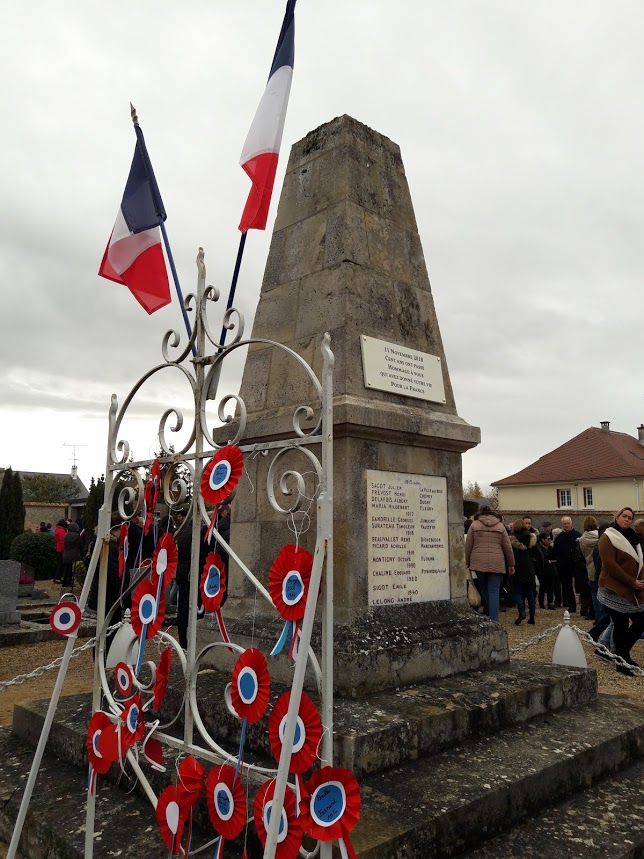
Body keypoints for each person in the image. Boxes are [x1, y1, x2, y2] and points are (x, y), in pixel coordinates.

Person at [596, 506, 644, 675]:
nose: (627, 519)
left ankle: (622, 654)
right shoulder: (608, 537)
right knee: (621, 625)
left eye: (630, 517)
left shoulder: (632, 537)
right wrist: (632, 581)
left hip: (631, 589)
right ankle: (622, 662)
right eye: (624, 516)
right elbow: (610, 565)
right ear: (617, 517)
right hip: (614, 589)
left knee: (640, 622)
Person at [464, 505, 514, 622]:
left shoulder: (474, 525)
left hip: (478, 560)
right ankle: (494, 619)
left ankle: (487, 613)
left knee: (484, 588)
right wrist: (511, 564)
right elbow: (507, 546)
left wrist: (467, 562)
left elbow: (468, 546)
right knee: (494, 590)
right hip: (496, 561)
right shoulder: (500, 525)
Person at [510, 519, 537, 625]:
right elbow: (538, 554)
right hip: (529, 568)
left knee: (517, 592)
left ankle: (521, 612)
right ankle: (532, 617)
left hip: (517, 568)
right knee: (530, 593)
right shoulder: (531, 537)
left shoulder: (512, 539)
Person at [553, 516, 582, 612]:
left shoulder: (578, 535)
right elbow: (555, 552)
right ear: (562, 524)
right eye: (564, 524)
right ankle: (571, 605)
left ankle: (584, 607)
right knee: (567, 586)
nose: (566, 525)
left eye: (567, 523)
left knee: (581, 586)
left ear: (571, 523)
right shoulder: (559, 538)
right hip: (565, 566)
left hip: (577, 564)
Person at [578, 516, 599, 619]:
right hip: (601, 566)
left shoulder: (582, 539)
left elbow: (583, 553)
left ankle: (596, 615)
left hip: (590, 567)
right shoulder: (601, 537)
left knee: (593, 593)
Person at [537, 532, 557, 609]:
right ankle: (541, 602)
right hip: (543, 570)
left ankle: (550, 602)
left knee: (551, 587)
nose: (549, 541)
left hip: (551, 570)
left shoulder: (550, 548)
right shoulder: (539, 548)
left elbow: (554, 556)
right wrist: (547, 561)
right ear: (542, 540)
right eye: (548, 539)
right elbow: (539, 559)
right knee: (543, 587)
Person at [61, 521, 82, 588]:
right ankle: (69, 582)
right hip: (74, 554)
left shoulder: (66, 535)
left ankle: (64, 582)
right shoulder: (76, 536)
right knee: (71, 570)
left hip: (66, 553)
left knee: (66, 569)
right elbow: (80, 544)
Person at [53, 519, 68, 583]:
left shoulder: (58, 529)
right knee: (61, 564)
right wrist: (64, 549)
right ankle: (58, 577)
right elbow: (62, 541)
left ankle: (58, 577)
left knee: (60, 564)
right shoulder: (62, 531)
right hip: (62, 549)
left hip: (59, 548)